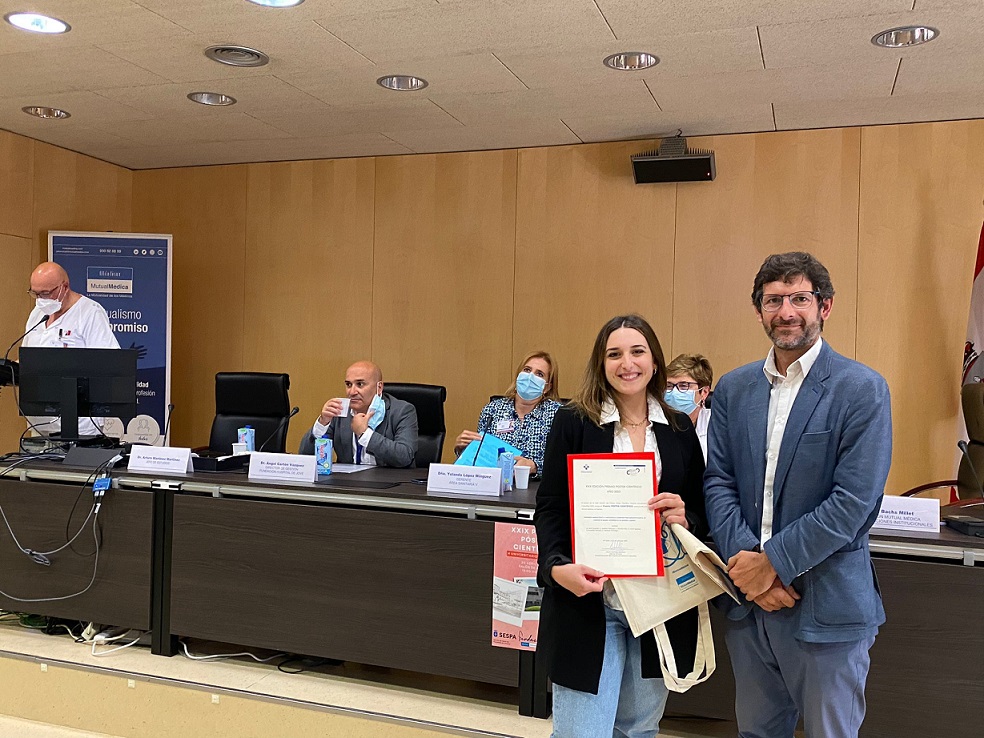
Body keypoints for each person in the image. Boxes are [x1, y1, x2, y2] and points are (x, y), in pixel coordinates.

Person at [704, 252, 892, 738]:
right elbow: (719, 482)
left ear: (824, 306)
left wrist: (771, 564)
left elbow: (853, 503)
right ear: (759, 311)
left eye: (799, 299)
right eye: (773, 300)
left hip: (827, 607)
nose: (786, 312)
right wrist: (749, 569)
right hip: (750, 607)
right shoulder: (733, 389)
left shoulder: (861, 389)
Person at [534, 315, 706, 738]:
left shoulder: (680, 428)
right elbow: (551, 505)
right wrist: (555, 567)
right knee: (581, 733)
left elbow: (702, 508)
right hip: (590, 599)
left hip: (658, 602)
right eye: (614, 354)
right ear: (601, 362)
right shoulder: (574, 421)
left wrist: (686, 515)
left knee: (637, 730)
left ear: (654, 361)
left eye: (637, 352)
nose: (627, 364)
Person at [22, 261, 120, 437]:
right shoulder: (37, 314)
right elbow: (28, 357)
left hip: (79, 425)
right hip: (40, 421)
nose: (40, 299)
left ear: (64, 287)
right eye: (35, 293)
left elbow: (109, 363)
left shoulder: (90, 313)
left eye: (45, 293)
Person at [453, 350, 561, 475]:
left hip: (537, 485)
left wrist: (535, 466)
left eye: (539, 374)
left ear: (547, 387)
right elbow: (480, 458)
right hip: (495, 483)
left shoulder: (558, 415)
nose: (530, 377)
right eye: (527, 370)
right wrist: (463, 449)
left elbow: (563, 461)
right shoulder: (492, 410)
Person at [298, 360, 418, 468]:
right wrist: (322, 423)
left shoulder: (402, 411)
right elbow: (305, 456)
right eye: (348, 385)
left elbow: (405, 456)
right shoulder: (340, 411)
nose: (352, 392)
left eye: (360, 384)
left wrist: (365, 434)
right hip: (348, 482)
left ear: (379, 387)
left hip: (389, 483)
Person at [665, 353, 713, 462]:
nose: (674, 392)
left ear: (704, 392)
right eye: (669, 386)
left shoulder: (716, 425)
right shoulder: (654, 421)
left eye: (683, 386)